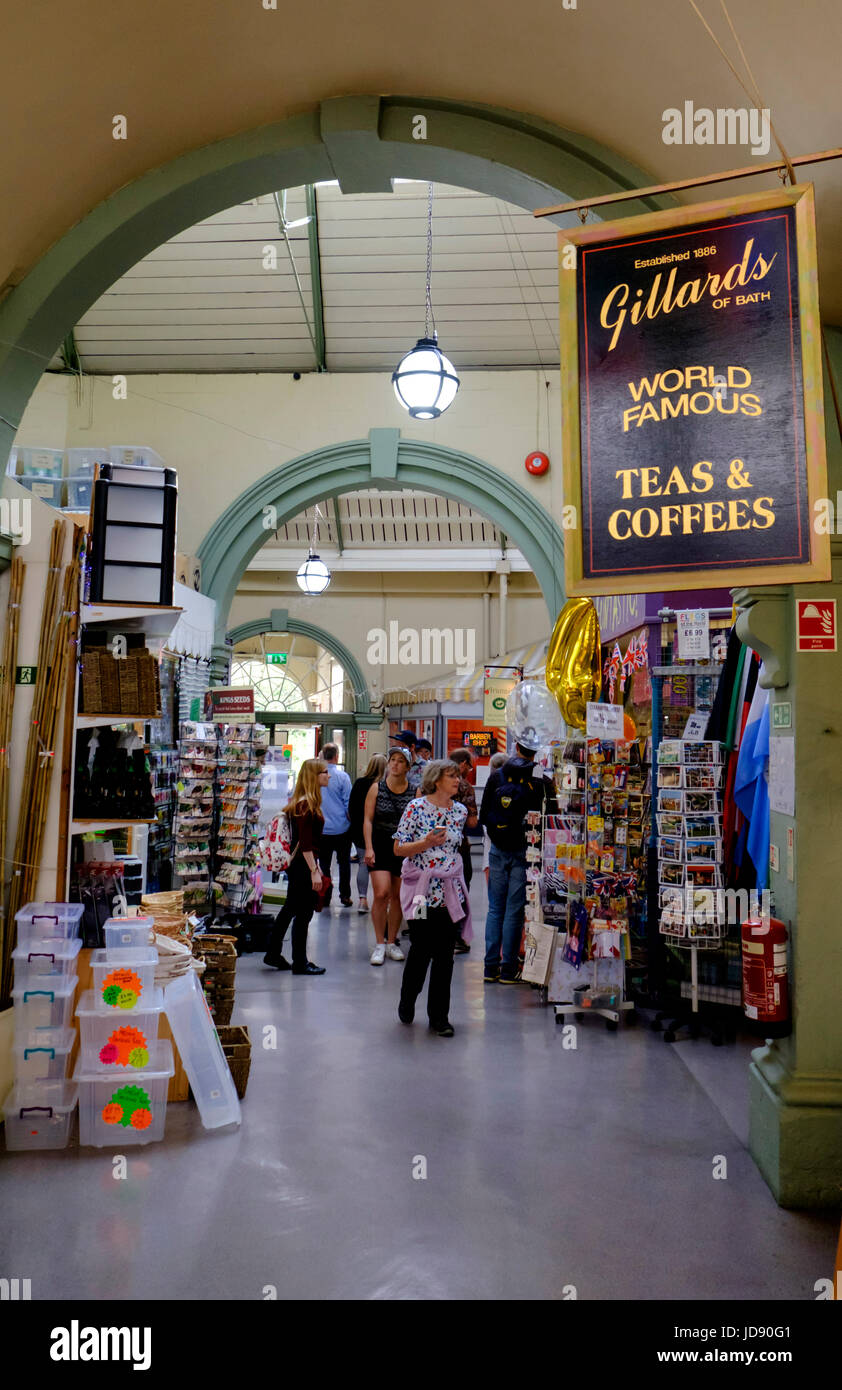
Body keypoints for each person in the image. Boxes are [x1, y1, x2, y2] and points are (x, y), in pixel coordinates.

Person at [394, 759, 472, 1037]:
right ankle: (407, 997)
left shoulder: (460, 811)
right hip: (421, 895)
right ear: (436, 779)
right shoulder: (416, 808)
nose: (458, 781)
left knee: (445, 956)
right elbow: (398, 848)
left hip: (449, 892)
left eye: (458, 776)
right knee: (420, 949)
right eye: (452, 776)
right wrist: (425, 843)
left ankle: (440, 1017)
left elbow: (455, 850)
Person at [479, 739, 548, 983]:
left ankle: (490, 968)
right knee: (514, 910)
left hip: (498, 849)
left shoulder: (497, 775)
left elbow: (484, 815)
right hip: (525, 851)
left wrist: (499, 834)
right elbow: (550, 816)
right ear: (535, 752)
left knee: (495, 908)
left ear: (517, 747)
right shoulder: (541, 779)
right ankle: (508, 970)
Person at [263, 759, 329, 976]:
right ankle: (300, 962)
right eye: (324, 772)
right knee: (304, 914)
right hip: (303, 866)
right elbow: (306, 844)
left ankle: (273, 952)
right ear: (314, 776)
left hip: (297, 866)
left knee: (290, 909)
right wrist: (314, 871)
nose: (328, 776)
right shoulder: (308, 806)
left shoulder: (298, 803)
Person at [363, 747, 414, 965]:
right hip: (381, 844)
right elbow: (367, 819)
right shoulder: (377, 788)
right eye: (392, 760)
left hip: (403, 848)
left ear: (407, 767)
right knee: (381, 893)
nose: (394, 764)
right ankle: (379, 943)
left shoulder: (414, 792)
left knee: (398, 896)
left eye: (400, 761)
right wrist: (368, 847)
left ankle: (392, 941)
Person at [448, 746, 479, 954]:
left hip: (431, 847)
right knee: (461, 888)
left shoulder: (430, 783)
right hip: (459, 846)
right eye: (469, 765)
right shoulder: (465, 787)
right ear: (462, 765)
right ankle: (458, 936)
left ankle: (427, 932)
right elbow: (473, 822)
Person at [348, 753, 386, 912]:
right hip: (381, 832)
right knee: (383, 866)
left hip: (359, 830)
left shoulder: (359, 783)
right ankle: (383, 899)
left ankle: (363, 899)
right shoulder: (385, 786)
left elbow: (350, 809)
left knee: (363, 863)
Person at [317, 742, 353, 908]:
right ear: (337, 757)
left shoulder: (317, 776)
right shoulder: (343, 777)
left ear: (323, 755)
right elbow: (348, 804)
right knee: (343, 862)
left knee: (324, 863)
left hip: (323, 828)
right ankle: (345, 895)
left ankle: (325, 893)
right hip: (342, 828)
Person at [481, 751, 508, 886]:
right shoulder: (513, 783)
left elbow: (483, 814)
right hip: (510, 837)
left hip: (492, 833)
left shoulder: (491, 781)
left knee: (490, 861)